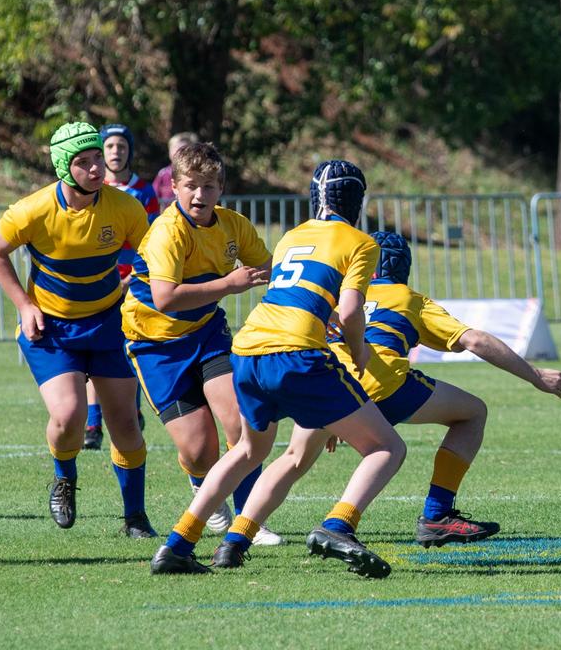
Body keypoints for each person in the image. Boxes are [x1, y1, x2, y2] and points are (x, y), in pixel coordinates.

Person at [212, 230, 561, 566]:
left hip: (324, 381)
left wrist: (337, 412)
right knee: (472, 413)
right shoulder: (409, 298)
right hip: (383, 384)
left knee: (292, 459)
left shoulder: (336, 296)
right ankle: (434, 515)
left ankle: (235, 541)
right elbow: (475, 340)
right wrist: (536, 376)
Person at [150, 160, 407, 577]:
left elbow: (296, 291)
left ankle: (186, 543)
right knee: (386, 447)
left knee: (249, 451)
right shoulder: (361, 242)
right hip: (297, 353)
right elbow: (351, 308)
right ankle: (338, 525)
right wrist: (358, 350)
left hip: (249, 350)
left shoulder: (293, 235)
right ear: (359, 201)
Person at [0, 121, 154, 537]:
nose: (96, 169)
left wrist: (141, 291)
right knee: (69, 417)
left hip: (107, 323)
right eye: (84, 162)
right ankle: (64, 479)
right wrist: (24, 306)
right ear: (64, 167)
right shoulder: (32, 210)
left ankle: (135, 517)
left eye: (98, 158)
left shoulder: (125, 207)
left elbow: (154, 257)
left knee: (125, 424)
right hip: (51, 328)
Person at [121, 141, 281, 546]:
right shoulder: (167, 232)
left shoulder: (233, 225)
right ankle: (202, 486)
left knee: (241, 421)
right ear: (173, 186)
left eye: (209, 186)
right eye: (191, 185)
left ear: (220, 188)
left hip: (208, 332)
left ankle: (250, 519)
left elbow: (268, 270)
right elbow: (166, 298)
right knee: (198, 450)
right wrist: (229, 284)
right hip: (156, 345)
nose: (199, 195)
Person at [83, 123, 160, 450]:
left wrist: (135, 278)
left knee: (131, 347)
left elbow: (153, 240)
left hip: (135, 283)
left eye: (121, 146)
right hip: (100, 284)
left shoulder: (144, 191)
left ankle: (134, 411)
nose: (116, 152)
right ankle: (92, 422)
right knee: (96, 350)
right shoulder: (90, 189)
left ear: (129, 151)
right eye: (110, 146)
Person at [153, 131, 200, 209]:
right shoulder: (163, 173)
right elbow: (154, 195)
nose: (177, 152)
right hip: (168, 215)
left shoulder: (196, 173)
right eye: (174, 148)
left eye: (182, 149)